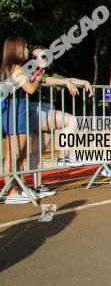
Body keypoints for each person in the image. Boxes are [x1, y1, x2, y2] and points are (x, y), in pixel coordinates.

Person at [1, 37, 55, 202]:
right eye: (24, 47)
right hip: (15, 111)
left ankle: (19, 187)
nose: (27, 50)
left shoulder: (12, 67)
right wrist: (39, 76)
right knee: (15, 153)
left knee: (19, 153)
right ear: (16, 49)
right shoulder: (15, 67)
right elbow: (30, 89)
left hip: (17, 110)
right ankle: (11, 191)